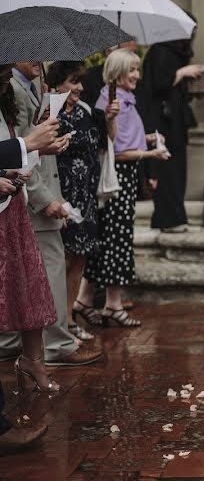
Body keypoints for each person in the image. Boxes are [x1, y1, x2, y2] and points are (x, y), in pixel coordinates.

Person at [0, 61, 103, 368]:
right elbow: (15, 142)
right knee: (49, 268)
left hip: (24, 187)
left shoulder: (30, 88)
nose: (37, 58)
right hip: (26, 191)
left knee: (21, 271)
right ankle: (55, 343)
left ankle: (10, 341)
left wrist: (42, 142)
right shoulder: (13, 90)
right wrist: (45, 197)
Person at [80, 50, 169, 328]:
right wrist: (150, 155)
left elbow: (129, 139)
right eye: (131, 69)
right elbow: (116, 151)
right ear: (117, 71)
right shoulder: (111, 101)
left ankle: (84, 301)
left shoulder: (126, 100)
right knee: (117, 240)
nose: (136, 75)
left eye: (137, 69)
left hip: (125, 180)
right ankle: (112, 305)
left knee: (112, 239)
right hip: (117, 180)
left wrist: (150, 137)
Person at [0, 63, 61, 453]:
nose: (6, 73)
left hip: (9, 205)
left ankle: (30, 365)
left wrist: (25, 156)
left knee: (26, 288)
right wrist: (28, 143)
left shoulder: (4, 104)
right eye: (1, 66)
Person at [46, 62, 119, 344]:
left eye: (79, 82)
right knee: (61, 259)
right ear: (57, 84)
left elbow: (106, 143)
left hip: (86, 198)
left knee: (79, 258)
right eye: (73, 82)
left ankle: (69, 320)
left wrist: (110, 119)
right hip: (62, 197)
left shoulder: (86, 111)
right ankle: (56, 325)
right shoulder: (48, 112)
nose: (79, 88)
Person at [139, 36, 204, 233]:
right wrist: (182, 72)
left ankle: (176, 217)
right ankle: (168, 220)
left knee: (177, 169)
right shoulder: (160, 50)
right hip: (161, 120)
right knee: (166, 169)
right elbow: (158, 85)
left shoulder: (177, 53)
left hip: (175, 119)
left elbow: (177, 92)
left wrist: (198, 89)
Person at [80, 41, 139, 108]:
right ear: (109, 53)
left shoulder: (135, 82)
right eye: (125, 53)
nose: (131, 58)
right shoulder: (89, 77)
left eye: (134, 53)